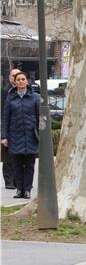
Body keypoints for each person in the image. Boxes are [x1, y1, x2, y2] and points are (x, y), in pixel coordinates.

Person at [1, 71, 40, 199]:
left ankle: (27, 189)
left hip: (31, 136)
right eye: (18, 79)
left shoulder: (35, 97)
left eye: (23, 79)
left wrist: (41, 135)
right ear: (15, 82)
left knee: (29, 165)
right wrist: (4, 136)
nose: (21, 81)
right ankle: (19, 189)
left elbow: (40, 118)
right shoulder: (10, 98)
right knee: (16, 165)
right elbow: (5, 118)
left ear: (27, 81)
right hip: (15, 136)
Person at [1, 68, 20, 189]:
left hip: (20, 129)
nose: (16, 79)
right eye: (13, 76)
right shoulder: (5, 92)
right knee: (8, 156)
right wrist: (3, 135)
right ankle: (9, 181)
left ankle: (18, 180)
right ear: (10, 78)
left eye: (18, 76)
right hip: (8, 127)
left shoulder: (24, 91)